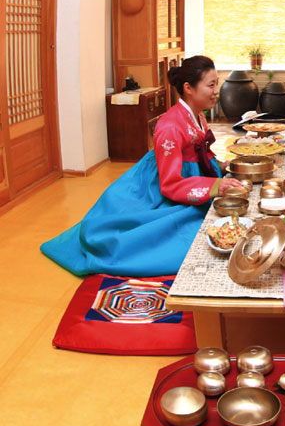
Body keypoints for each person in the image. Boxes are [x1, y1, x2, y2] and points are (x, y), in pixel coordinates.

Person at [41, 55, 243, 277]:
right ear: (188, 88)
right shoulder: (170, 126)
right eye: (211, 85)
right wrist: (214, 186)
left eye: (217, 84)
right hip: (160, 184)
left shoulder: (198, 115)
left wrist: (219, 166)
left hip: (186, 177)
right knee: (185, 237)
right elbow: (170, 183)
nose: (216, 91)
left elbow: (199, 154)